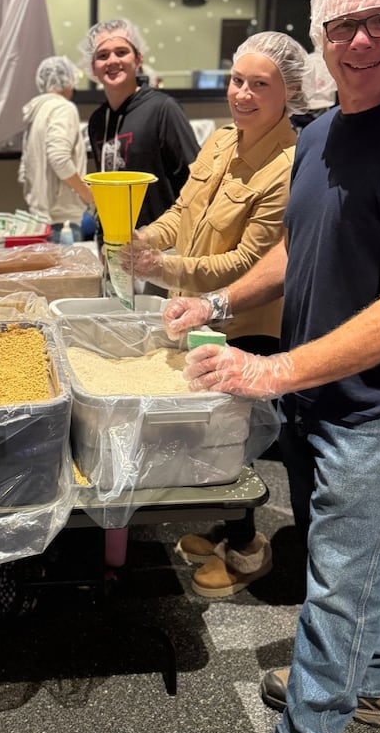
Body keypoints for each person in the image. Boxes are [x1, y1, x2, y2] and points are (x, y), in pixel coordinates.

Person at [164, 0, 380, 733]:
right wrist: (218, 302)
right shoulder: (326, 131)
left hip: (378, 402)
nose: (360, 40)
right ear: (322, 39)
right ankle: (368, 681)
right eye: (342, 25)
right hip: (314, 388)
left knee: (341, 576)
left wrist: (272, 370)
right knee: (351, 555)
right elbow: (299, 247)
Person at [123, 31, 308, 596]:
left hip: (248, 323)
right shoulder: (221, 140)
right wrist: (142, 238)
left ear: (290, 93)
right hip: (199, 312)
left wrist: (163, 268)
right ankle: (230, 526)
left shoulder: (289, 164)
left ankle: (247, 548)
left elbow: (249, 259)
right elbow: (181, 213)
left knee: (236, 436)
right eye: (237, 80)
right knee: (216, 433)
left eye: (260, 85)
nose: (243, 95)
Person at [82, 18, 199, 228]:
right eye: (102, 55)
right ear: (93, 67)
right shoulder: (97, 122)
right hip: (117, 244)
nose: (112, 61)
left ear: (138, 59)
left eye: (121, 52)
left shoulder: (163, 110)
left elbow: (197, 179)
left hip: (164, 247)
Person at [18, 55, 92, 242]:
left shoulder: (37, 111)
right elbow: (59, 158)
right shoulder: (63, 108)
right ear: (70, 81)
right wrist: (86, 193)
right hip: (62, 222)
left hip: (40, 219)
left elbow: (25, 168)